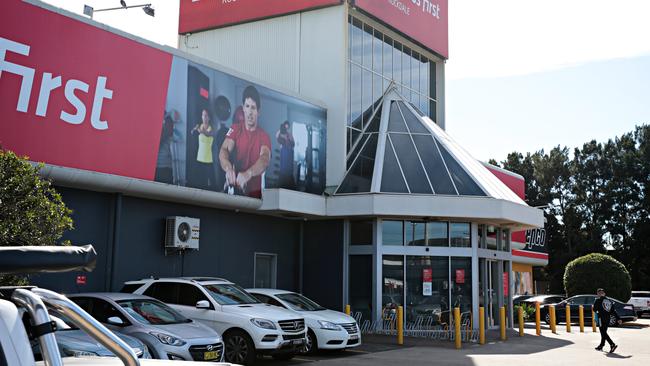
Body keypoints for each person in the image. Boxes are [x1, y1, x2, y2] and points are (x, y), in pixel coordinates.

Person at [219, 85, 271, 198]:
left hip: (254, 198)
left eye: (253, 107)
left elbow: (265, 159)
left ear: (258, 111)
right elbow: (224, 149)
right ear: (243, 108)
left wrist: (249, 173)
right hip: (234, 192)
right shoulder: (234, 128)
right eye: (247, 106)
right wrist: (228, 168)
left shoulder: (264, 136)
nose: (250, 112)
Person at [191, 109, 217, 190]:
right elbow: (192, 132)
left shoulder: (211, 128)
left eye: (206, 115)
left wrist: (199, 130)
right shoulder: (200, 126)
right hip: (199, 158)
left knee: (210, 184)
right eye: (203, 115)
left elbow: (208, 134)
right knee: (200, 182)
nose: (204, 117)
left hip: (208, 159)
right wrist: (194, 129)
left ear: (209, 118)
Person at [593, 288, 618, 353]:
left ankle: (612, 344)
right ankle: (601, 345)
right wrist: (619, 318)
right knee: (603, 332)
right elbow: (613, 311)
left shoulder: (598, 300)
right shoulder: (609, 301)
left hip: (601, 318)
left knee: (603, 332)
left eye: (599, 293)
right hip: (608, 318)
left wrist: (595, 304)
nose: (599, 294)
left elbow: (594, 309)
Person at [276, 121, 295, 189]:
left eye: (287, 127)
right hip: (284, 154)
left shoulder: (290, 135)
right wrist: (282, 134)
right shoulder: (280, 133)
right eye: (285, 127)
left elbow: (293, 144)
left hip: (289, 154)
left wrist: (289, 139)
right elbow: (277, 137)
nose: (286, 129)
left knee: (289, 173)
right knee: (283, 171)